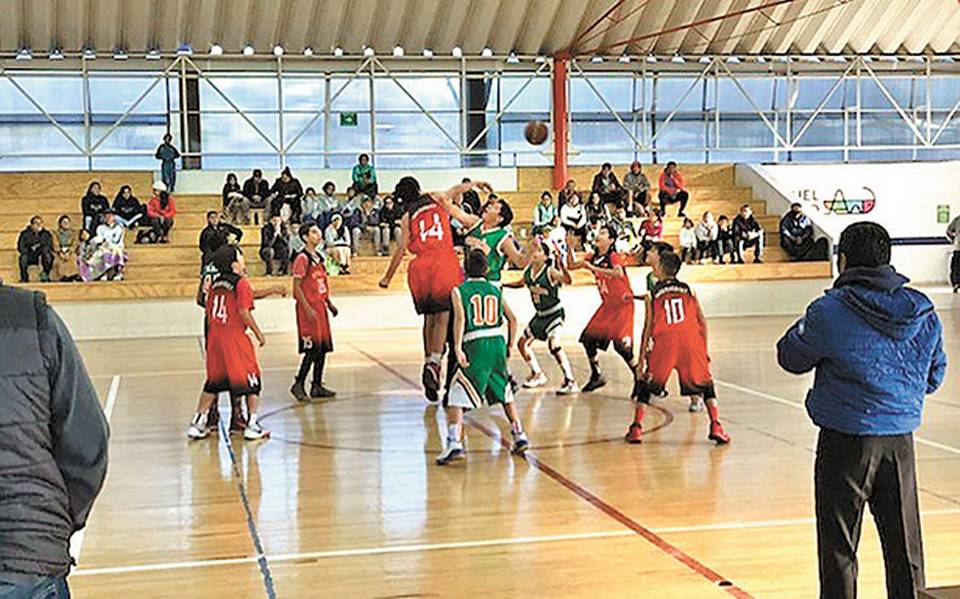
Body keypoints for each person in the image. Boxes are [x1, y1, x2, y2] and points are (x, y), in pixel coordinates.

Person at [776, 222, 945, 599]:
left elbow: (790, 356)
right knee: (905, 547)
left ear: (844, 261)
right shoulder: (922, 312)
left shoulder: (828, 310)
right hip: (900, 442)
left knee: (839, 547)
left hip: (844, 442)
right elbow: (934, 377)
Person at [0, 283, 109, 598]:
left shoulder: (33, 318)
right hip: (31, 555)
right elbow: (88, 442)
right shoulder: (33, 318)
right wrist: (55, 522)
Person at [380, 177, 486, 402]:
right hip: (442, 261)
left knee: (428, 319)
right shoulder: (435, 198)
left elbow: (401, 249)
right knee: (443, 317)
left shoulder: (407, 216)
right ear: (418, 188)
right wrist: (475, 184)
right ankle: (435, 363)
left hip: (419, 268)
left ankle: (428, 359)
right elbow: (455, 189)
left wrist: (387, 277)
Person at [436, 249, 529, 465]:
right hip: (496, 341)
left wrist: (457, 348)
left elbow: (459, 321)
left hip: (475, 343)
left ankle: (454, 443)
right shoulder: (495, 290)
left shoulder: (459, 291)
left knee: (455, 395)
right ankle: (519, 434)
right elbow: (513, 319)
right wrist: (510, 345)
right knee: (505, 393)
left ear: (465, 270)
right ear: (486, 269)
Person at [628, 251, 731, 444]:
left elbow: (647, 328)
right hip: (690, 341)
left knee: (646, 385)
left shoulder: (652, 295)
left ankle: (636, 428)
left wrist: (642, 358)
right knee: (706, 384)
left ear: (659, 269)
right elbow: (702, 321)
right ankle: (716, 424)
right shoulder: (690, 290)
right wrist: (704, 350)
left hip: (665, 342)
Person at [187, 246, 270, 441]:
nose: (243, 262)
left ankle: (198, 422)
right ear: (234, 264)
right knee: (252, 380)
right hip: (233, 336)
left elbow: (208, 308)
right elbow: (243, 311)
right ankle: (252, 424)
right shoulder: (240, 282)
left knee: (213, 382)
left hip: (215, 336)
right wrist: (258, 334)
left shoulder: (216, 283)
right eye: (241, 258)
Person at [567, 225, 638, 393]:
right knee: (588, 339)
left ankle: (639, 379)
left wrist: (593, 269)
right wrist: (569, 246)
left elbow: (618, 273)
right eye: (600, 231)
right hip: (607, 306)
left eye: (604, 232)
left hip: (622, 305)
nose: (599, 234)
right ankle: (597, 374)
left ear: (611, 240)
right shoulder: (593, 256)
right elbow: (571, 265)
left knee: (622, 347)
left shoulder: (613, 256)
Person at [504, 237, 578, 394]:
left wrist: (563, 266)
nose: (535, 254)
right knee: (522, 344)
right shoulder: (529, 272)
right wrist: (503, 285)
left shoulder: (550, 272)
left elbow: (568, 280)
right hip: (539, 316)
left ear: (545, 257)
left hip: (554, 315)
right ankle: (537, 373)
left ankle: (570, 380)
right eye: (534, 251)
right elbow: (520, 283)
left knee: (554, 345)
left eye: (539, 251)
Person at [290, 223, 338, 402]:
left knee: (323, 347)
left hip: (320, 307)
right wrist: (307, 308)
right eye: (314, 232)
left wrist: (329, 302)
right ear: (305, 237)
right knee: (313, 348)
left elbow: (321, 284)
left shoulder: (319, 257)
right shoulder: (302, 258)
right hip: (308, 309)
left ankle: (316, 385)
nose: (318, 235)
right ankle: (298, 383)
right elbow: (296, 288)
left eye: (318, 231)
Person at [438, 196, 527, 287]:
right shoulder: (475, 222)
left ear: (499, 218)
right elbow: (455, 212)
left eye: (495, 208)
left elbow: (519, 262)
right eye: (490, 205)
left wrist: (532, 250)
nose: (489, 207)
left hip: (490, 283)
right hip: (468, 279)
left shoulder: (503, 237)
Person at [17, 216, 54, 283]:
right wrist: (30, 249)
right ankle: (24, 277)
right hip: (29, 254)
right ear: (31, 225)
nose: (38, 225)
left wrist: (41, 247)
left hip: (41, 254)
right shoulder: (24, 234)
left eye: (40, 223)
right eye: (36, 223)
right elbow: (21, 246)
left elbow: (48, 246)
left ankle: (45, 275)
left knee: (48, 256)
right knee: (23, 258)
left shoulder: (46, 234)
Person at [92, 210, 126, 280]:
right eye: (106, 216)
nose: (108, 218)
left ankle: (119, 272)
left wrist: (106, 242)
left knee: (117, 250)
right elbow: (99, 238)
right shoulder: (100, 228)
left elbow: (116, 241)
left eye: (110, 216)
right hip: (104, 247)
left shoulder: (119, 228)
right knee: (99, 252)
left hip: (116, 247)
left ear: (113, 217)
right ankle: (103, 273)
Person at [52, 215, 81, 282]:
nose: (66, 224)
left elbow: (75, 243)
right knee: (58, 260)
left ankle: (72, 275)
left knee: (72, 258)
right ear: (60, 223)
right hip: (59, 251)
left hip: (70, 251)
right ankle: (61, 277)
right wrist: (60, 252)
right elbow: (55, 243)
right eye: (64, 222)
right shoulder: (55, 233)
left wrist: (69, 251)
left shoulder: (74, 233)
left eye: (67, 222)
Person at [947, 213, 960, 292]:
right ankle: (956, 283)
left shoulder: (957, 219)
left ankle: (956, 283)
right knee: (956, 266)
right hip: (958, 247)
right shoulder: (957, 219)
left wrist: (953, 240)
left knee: (956, 267)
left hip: (958, 247)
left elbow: (948, 231)